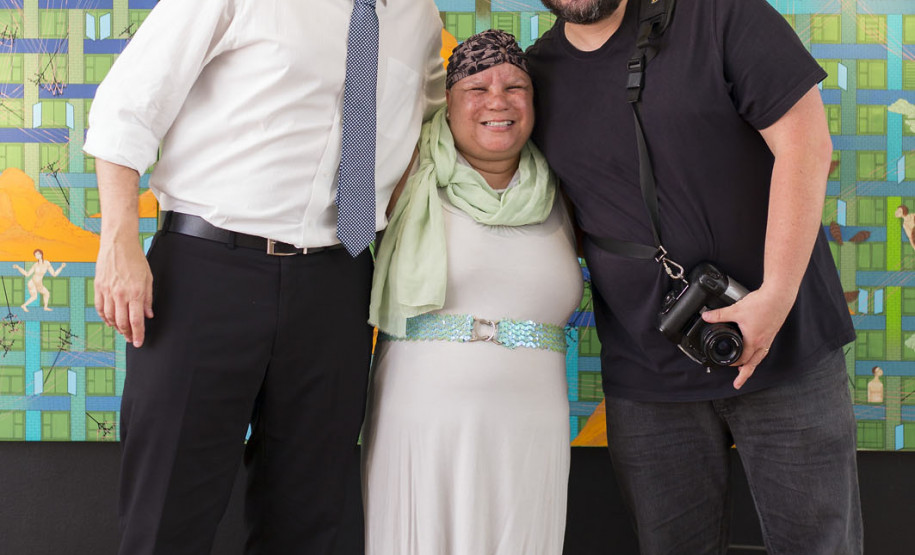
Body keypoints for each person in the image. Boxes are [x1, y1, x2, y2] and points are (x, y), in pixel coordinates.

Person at [82, 0, 445, 553]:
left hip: (338, 281)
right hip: (206, 273)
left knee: (308, 515)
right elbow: (126, 105)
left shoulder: (420, 16)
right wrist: (118, 243)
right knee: (166, 515)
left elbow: (429, 132)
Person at [527, 0, 862, 553]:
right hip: (647, 379)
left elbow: (806, 143)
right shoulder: (534, 77)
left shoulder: (722, 14)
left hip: (788, 348)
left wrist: (775, 296)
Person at [362, 30, 582, 555]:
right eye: (476, 88)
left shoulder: (567, 188)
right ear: (448, 102)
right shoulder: (406, 171)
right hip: (421, 420)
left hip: (533, 424)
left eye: (515, 86)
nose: (497, 101)